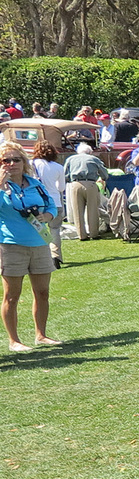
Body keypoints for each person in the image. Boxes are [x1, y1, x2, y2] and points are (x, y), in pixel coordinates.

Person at [0, 142, 59, 351]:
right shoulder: (1, 186)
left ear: (24, 162)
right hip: (11, 245)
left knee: (42, 292)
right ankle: (14, 340)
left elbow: (51, 205)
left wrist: (48, 215)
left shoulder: (35, 183)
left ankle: (41, 335)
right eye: (6, 160)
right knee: (12, 295)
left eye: (16, 159)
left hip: (39, 243)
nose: (12, 164)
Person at [30, 142, 66, 268]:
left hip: (36, 202)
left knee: (39, 230)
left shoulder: (32, 164)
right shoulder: (58, 167)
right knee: (55, 229)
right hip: (55, 201)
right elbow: (61, 188)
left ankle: (42, 258)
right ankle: (56, 255)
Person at [62, 142, 107, 241]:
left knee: (77, 210)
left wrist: (70, 180)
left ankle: (81, 235)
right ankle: (93, 233)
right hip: (91, 184)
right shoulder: (94, 159)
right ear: (90, 152)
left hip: (75, 184)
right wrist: (103, 178)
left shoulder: (70, 159)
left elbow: (65, 174)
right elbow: (104, 173)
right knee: (93, 210)